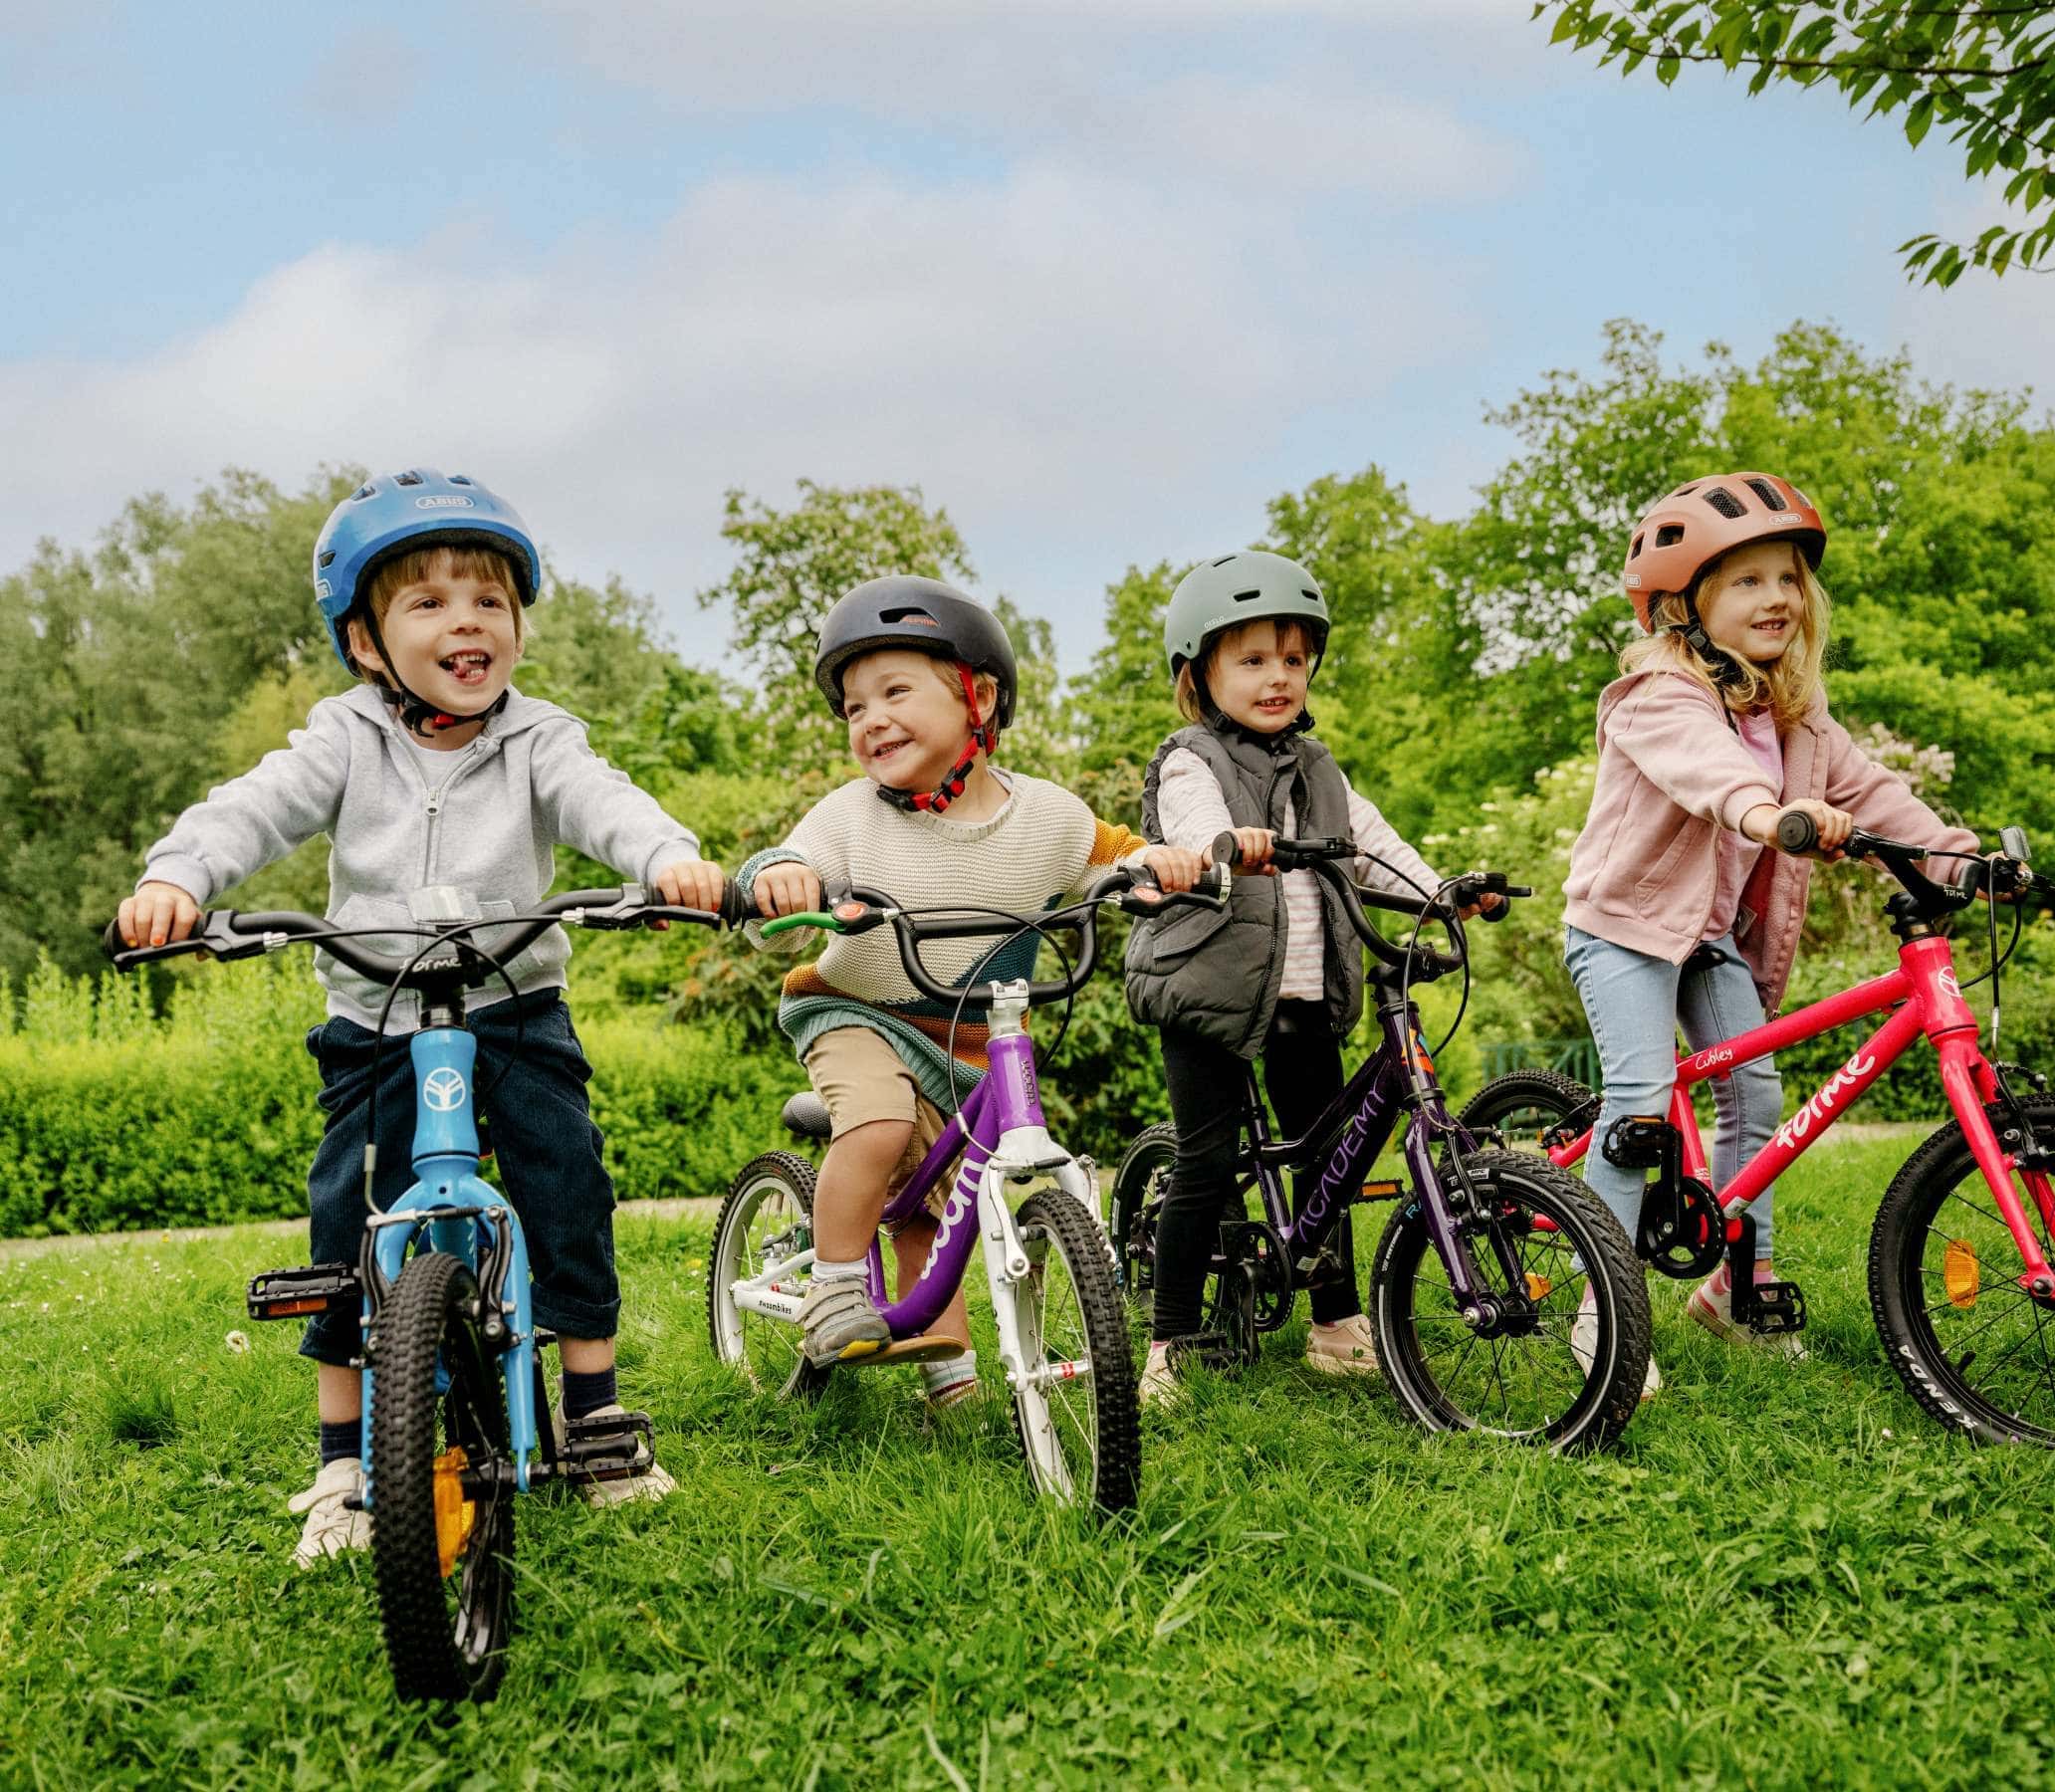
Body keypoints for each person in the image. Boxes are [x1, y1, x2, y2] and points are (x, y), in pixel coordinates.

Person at [117, 468, 724, 1563]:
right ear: (365, 641)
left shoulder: (540, 738)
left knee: (568, 1188)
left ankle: (596, 1424)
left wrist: (669, 857)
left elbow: (606, 803)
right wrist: (181, 878)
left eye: (489, 600)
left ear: (519, 625)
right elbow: (252, 808)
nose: (467, 622)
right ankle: (343, 1461)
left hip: (516, 1006)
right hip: (376, 1016)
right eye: (429, 602)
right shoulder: (343, 738)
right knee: (348, 1221)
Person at [737, 576, 1205, 1407]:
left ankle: (951, 1380)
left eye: (894, 692)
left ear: (978, 698)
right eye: (853, 707)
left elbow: (1116, 854)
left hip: (969, 1037)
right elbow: (793, 858)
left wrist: (1154, 868)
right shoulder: (852, 815)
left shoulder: (1049, 817)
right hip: (857, 1009)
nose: (870, 718)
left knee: (948, 1196)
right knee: (881, 1126)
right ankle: (839, 1283)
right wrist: (784, 879)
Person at [1563, 471, 1977, 1390]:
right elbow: (1706, 772)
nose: (1778, 597)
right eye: (1747, 580)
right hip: (1626, 928)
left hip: (1709, 938)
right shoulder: (1654, 695)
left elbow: (1871, 791)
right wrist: (1767, 812)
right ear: (1684, 602)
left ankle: (1737, 1288)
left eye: (1788, 577)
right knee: (1638, 1106)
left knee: (1753, 1097)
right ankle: (1604, 1308)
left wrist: (1955, 857)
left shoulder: (1793, 712)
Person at [1126, 550, 1495, 1409]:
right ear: (1199, 673)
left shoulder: (1322, 768)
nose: (1277, 677)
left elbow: (1374, 843)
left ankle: (1335, 1326)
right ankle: (1171, 1340)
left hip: (1304, 995)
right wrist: (1226, 845)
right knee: (1208, 1162)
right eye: (1252, 660)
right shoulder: (1190, 760)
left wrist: (1442, 893)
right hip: (1208, 990)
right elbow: (1192, 824)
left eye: (1293, 659)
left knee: (1327, 1157)